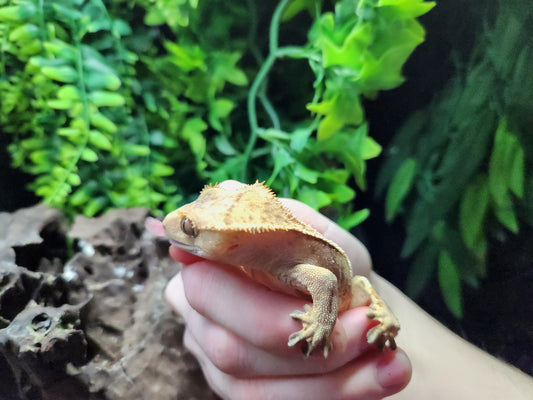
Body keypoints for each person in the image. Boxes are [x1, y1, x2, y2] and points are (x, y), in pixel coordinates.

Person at [164, 181, 533, 399]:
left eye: (190, 228)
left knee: (358, 287)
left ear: (229, 243)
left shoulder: (282, 260)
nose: (177, 226)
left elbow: (324, 280)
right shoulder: (250, 255)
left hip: (349, 294)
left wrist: (321, 323)